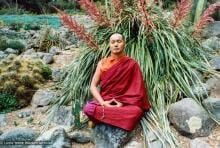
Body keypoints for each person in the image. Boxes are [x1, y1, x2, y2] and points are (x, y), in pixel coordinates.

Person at [83, 33, 151, 131]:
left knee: (136, 112)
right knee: (88, 108)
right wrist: (103, 103)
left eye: (119, 41)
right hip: (106, 102)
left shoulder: (132, 64)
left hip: (124, 104)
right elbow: (93, 86)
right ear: (109, 45)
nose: (116, 44)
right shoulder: (102, 63)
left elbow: (138, 91)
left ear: (124, 43)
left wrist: (122, 103)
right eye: (113, 42)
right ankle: (113, 119)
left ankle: (98, 118)